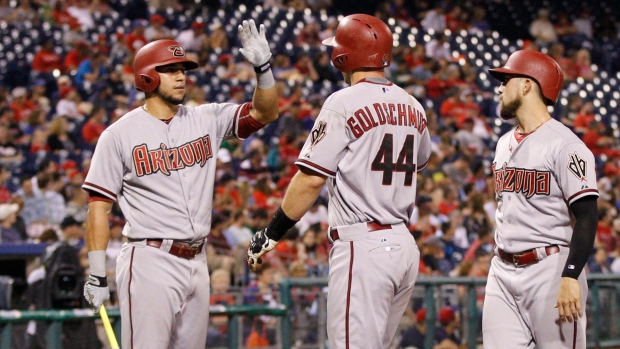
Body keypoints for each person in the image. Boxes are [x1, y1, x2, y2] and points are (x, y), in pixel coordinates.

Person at [82, 18, 279, 349]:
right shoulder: (119, 134)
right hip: (149, 260)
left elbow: (266, 112)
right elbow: (98, 208)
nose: (180, 76)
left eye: (183, 69)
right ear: (146, 76)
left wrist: (264, 70)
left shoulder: (206, 118)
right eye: (170, 69)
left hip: (197, 260)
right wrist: (97, 272)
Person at [246, 14, 431, 349]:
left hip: (364, 246)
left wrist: (272, 232)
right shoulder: (413, 105)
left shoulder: (342, 102)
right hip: (403, 246)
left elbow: (310, 180)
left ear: (344, 56)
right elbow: (419, 160)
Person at [483, 50, 599, 349]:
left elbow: (587, 216)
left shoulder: (566, 145)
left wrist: (571, 275)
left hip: (549, 268)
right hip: (502, 270)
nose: (499, 88)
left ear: (526, 85)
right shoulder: (502, 143)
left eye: (506, 80)